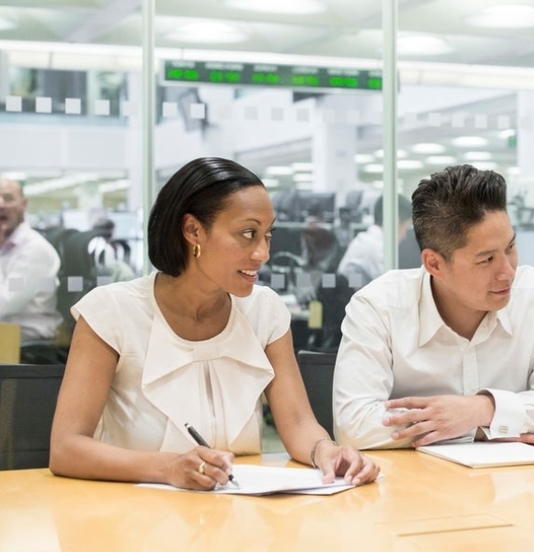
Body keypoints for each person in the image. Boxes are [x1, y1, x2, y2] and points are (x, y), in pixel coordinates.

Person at [49, 157, 378, 490]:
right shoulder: (111, 312)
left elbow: (297, 424)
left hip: (238, 507)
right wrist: (167, 467)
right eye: (248, 234)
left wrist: (326, 451)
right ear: (193, 231)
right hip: (136, 513)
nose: (263, 253)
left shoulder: (265, 310)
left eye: (267, 235)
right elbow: (66, 448)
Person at [333, 164, 534, 449]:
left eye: (510, 248)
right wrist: (480, 428)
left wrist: (484, 409)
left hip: (516, 476)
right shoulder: (379, 307)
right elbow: (353, 426)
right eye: (486, 260)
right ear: (434, 264)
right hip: (416, 476)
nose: (508, 272)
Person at [0, 177, 63, 341]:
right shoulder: (5, 246)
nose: (1, 204)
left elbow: (5, 303)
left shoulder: (34, 249)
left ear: (24, 204)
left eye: (8, 198)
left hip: (27, 342)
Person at [336, 194, 413, 288]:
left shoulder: (366, 239)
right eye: (405, 227)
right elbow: (390, 288)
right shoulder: (376, 248)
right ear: (396, 222)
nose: (404, 236)